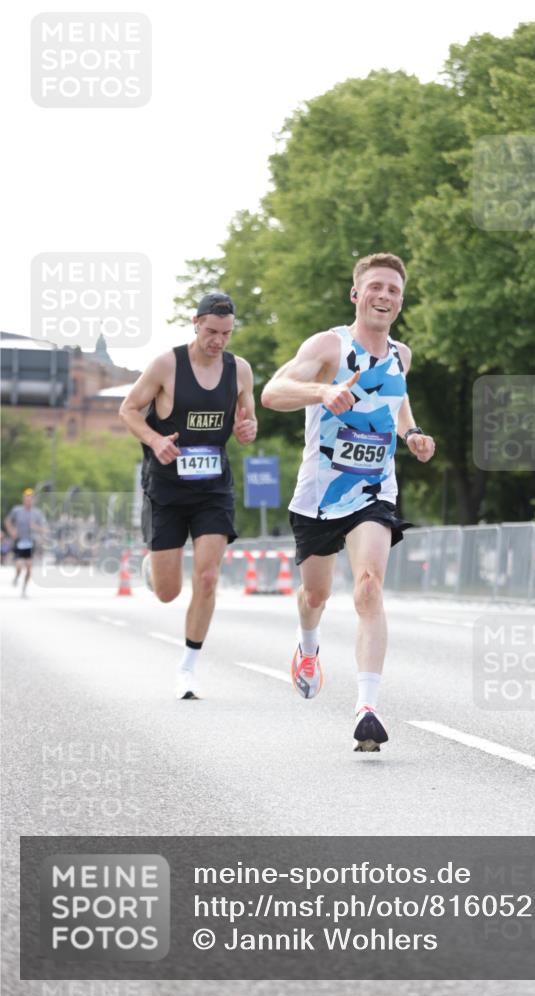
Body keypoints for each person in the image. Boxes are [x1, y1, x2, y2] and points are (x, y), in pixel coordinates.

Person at [261, 252, 435, 751]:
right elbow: (274, 392)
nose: (384, 296)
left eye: (394, 291)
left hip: (373, 490)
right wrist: (323, 391)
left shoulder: (401, 355)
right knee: (315, 596)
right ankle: (308, 647)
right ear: (356, 294)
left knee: (368, 586)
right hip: (319, 494)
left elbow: (396, 398)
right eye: (376, 287)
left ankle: (367, 709)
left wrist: (413, 434)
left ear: (400, 302)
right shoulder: (329, 345)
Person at [119, 292, 257, 698]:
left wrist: (247, 431)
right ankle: (154, 565)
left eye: (226, 333)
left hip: (213, 487)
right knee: (168, 592)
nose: (218, 341)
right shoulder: (167, 365)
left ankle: (188, 666)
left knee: (208, 576)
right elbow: (128, 409)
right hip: (167, 487)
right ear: (195, 323)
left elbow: (248, 423)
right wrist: (155, 439)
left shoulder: (240, 370)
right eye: (212, 331)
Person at [5, 488, 47, 597]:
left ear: (33, 500)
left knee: (29, 567)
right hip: (19, 541)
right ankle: (17, 576)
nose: (28, 501)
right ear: (23, 500)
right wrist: (12, 531)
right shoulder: (17, 510)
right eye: (26, 498)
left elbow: (44, 529)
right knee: (19, 565)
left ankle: (24, 589)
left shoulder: (37, 513)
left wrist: (36, 527)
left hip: (30, 542)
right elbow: (8, 521)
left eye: (30, 499)